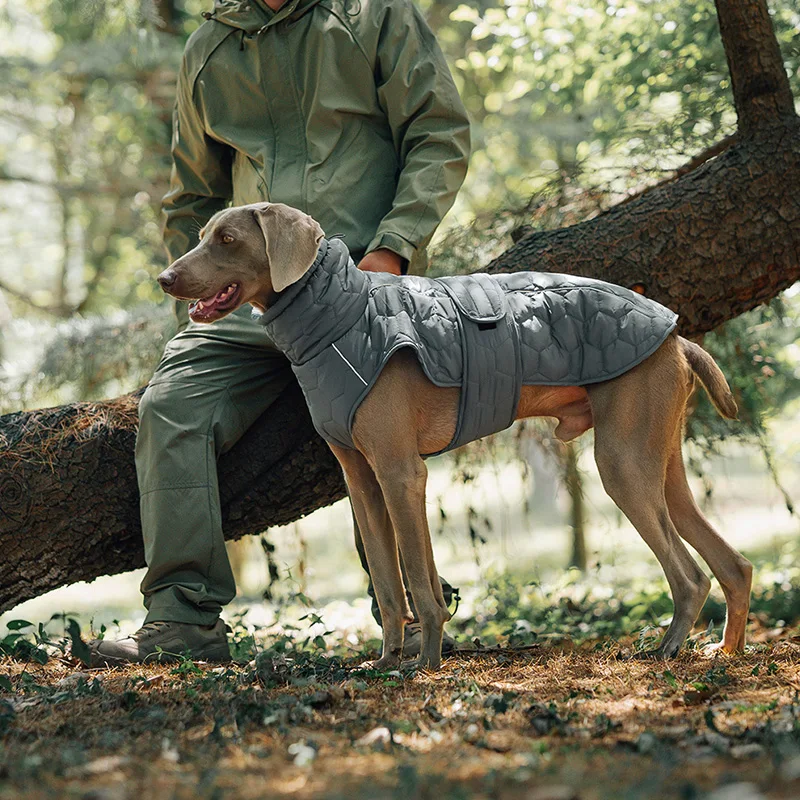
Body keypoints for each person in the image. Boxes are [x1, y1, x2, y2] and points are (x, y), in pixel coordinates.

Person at [90, 0, 470, 664]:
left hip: (358, 292)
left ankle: (412, 618)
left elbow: (438, 133)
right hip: (249, 308)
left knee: (383, 438)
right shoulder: (210, 47)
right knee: (171, 407)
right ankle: (182, 621)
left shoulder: (372, 15)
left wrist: (394, 248)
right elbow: (191, 195)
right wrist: (206, 291)